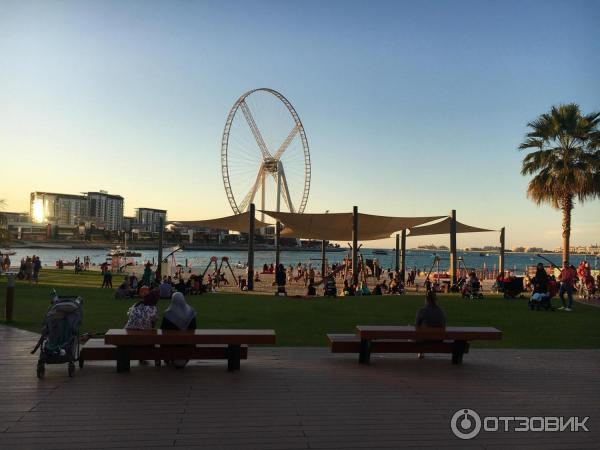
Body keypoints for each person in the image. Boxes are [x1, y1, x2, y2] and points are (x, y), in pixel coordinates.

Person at [161, 292, 197, 368]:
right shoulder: (191, 312)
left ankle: (169, 358)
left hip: (171, 345)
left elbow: (163, 329)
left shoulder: (168, 313)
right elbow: (193, 328)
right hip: (186, 344)